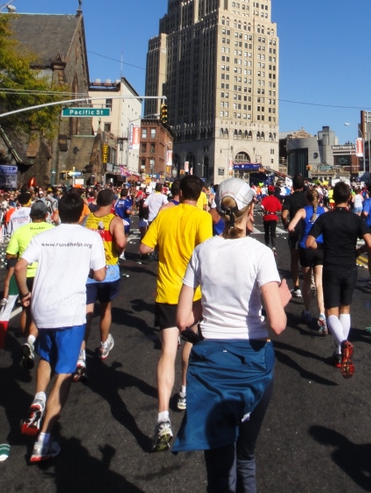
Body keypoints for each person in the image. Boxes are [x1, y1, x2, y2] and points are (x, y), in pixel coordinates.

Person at [173, 177, 291, 492]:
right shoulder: (261, 253)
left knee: (218, 467)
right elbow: (277, 325)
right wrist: (281, 299)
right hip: (252, 359)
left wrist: (211, 301)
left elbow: (183, 317)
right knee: (246, 457)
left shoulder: (201, 251)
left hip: (210, 362)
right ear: (250, 208)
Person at [15, 191, 106, 462]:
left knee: (44, 354)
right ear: (81, 215)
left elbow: (20, 267)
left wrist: (24, 294)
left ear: (58, 213)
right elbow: (100, 274)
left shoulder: (43, 237)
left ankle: (39, 397)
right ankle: (43, 442)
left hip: (42, 309)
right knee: (65, 374)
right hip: (70, 312)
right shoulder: (90, 237)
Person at [140, 175, 213, 451]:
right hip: (192, 296)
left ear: (180, 192)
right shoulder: (202, 218)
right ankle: (183, 391)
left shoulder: (165, 215)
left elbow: (144, 247)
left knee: (167, 351)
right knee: (189, 343)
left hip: (166, 293)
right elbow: (206, 254)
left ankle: (162, 417)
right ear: (201, 194)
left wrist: (162, 245)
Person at [306, 181, 371, 377]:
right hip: (349, 267)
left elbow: (310, 243)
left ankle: (343, 345)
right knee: (346, 309)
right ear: (350, 198)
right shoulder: (356, 220)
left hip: (331, 266)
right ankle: (339, 352)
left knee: (331, 313)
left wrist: (323, 249)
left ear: (333, 198)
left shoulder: (324, 218)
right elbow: (370, 244)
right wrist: (358, 251)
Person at [74, 188, 127, 380]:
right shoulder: (114, 220)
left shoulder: (86, 220)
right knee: (105, 310)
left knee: (87, 313)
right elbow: (120, 243)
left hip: (88, 272)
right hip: (108, 271)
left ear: (97, 201)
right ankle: (104, 343)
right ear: (112, 202)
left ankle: (80, 354)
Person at [3, 200, 54, 369]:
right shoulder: (53, 230)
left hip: (26, 274)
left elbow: (10, 255)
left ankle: (27, 341)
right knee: (46, 309)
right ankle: (38, 341)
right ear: (46, 215)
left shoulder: (20, 231)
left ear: (31, 216)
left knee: (27, 309)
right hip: (45, 274)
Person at [288, 188, 327, 332]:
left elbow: (291, 227)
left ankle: (308, 311)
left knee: (306, 281)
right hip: (320, 247)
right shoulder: (324, 211)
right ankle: (322, 314)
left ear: (307, 198)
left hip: (306, 246)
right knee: (319, 282)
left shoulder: (303, 211)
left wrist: (295, 231)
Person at [282, 174, 308, 297]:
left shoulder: (290, 198)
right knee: (308, 260)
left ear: (292, 185)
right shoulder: (308, 197)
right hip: (307, 230)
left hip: (295, 231)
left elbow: (283, 215)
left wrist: (286, 225)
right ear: (303, 185)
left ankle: (297, 288)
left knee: (294, 260)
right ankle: (310, 283)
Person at [260, 184, 282, 255]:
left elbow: (262, 206)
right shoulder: (276, 199)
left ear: (268, 191)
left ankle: (267, 245)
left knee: (266, 232)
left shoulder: (265, 198)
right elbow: (280, 208)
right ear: (274, 191)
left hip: (267, 216)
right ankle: (273, 247)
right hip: (274, 217)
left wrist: (264, 211)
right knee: (273, 232)